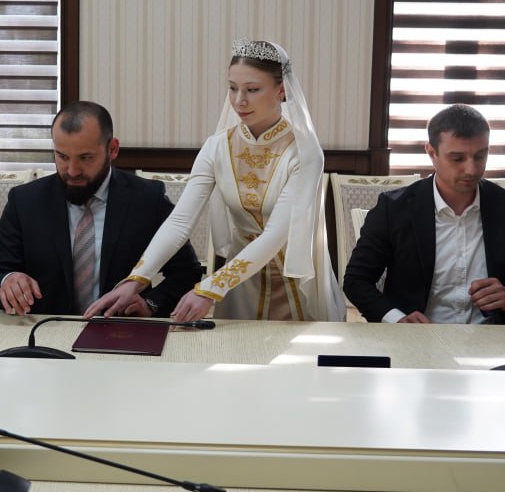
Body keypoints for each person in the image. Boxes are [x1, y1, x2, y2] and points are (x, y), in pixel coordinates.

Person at [87, 40, 345, 323]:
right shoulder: (218, 146)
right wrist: (135, 280)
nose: (239, 101)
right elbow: (180, 221)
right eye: (233, 88)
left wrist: (211, 288)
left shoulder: (305, 152)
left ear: (281, 90)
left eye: (252, 90)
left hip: (295, 282)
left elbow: (275, 235)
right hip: (240, 283)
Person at [0, 101, 201, 316]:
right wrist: (7, 281)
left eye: (85, 158)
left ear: (112, 149)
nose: (72, 170)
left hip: (121, 331)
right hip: (44, 329)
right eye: (62, 157)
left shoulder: (147, 199)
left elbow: (186, 273)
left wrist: (150, 304)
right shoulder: (25, 202)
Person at [344, 104, 505, 324]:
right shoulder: (393, 209)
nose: (471, 169)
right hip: (415, 337)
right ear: (431, 152)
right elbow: (356, 281)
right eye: (457, 158)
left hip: (491, 337)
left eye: (480, 156)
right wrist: (397, 319)